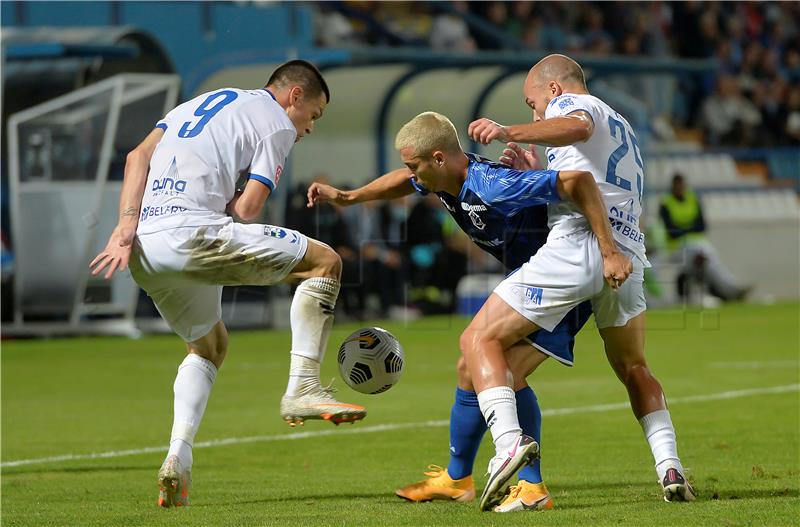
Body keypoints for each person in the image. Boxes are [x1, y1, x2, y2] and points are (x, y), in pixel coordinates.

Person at [89, 60, 367, 508]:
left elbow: (136, 156)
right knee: (326, 263)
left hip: (143, 247)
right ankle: (303, 386)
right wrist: (233, 195)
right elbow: (249, 208)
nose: (309, 128)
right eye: (314, 115)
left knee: (209, 348)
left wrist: (124, 228)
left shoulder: (195, 104)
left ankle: (178, 459)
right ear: (294, 96)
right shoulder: (276, 123)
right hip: (194, 234)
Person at [307, 111, 610, 512]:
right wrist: (349, 197)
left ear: (437, 158)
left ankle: (532, 487)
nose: (410, 174)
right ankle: (457, 479)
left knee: (502, 370)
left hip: (558, 284)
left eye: (414, 165)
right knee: (471, 368)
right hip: (528, 284)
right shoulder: (445, 177)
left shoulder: (492, 185)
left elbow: (575, 182)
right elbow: (404, 182)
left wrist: (609, 248)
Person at [466, 53, 695, 510]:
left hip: (582, 245)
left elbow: (576, 127)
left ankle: (508, 445)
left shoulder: (576, 109)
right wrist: (538, 175)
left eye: (534, 103)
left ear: (554, 90)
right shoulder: (624, 125)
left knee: (478, 339)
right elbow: (591, 178)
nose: (537, 114)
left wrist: (510, 129)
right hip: (626, 254)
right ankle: (670, 467)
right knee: (634, 368)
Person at [660, 173, 748, 302]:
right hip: (677, 247)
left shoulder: (693, 199)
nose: (680, 188)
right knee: (708, 258)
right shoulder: (666, 203)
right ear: (673, 186)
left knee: (709, 260)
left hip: (698, 244)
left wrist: (683, 228)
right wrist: (690, 228)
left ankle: (727, 291)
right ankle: (731, 289)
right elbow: (672, 231)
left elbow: (702, 226)